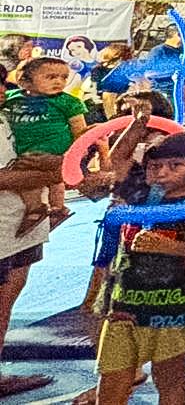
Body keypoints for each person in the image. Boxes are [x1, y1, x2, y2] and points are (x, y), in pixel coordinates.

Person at [96, 132, 185, 405]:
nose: (162, 172)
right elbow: (117, 158)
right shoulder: (139, 195)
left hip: (172, 306)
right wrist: (138, 124)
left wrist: (172, 247)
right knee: (112, 375)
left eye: (175, 165)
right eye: (155, 166)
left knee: (169, 375)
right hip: (123, 302)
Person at [0, 100, 62, 398]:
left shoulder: (20, 115)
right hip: (3, 228)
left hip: (21, 227)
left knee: (8, 297)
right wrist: (58, 174)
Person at [3, 56, 87, 232]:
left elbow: (79, 129)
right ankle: (36, 208)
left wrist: (75, 154)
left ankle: (57, 209)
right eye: (51, 77)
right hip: (25, 152)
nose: (59, 81)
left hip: (56, 151)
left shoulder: (67, 101)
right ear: (26, 82)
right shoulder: (11, 98)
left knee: (55, 183)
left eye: (64, 77)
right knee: (27, 181)